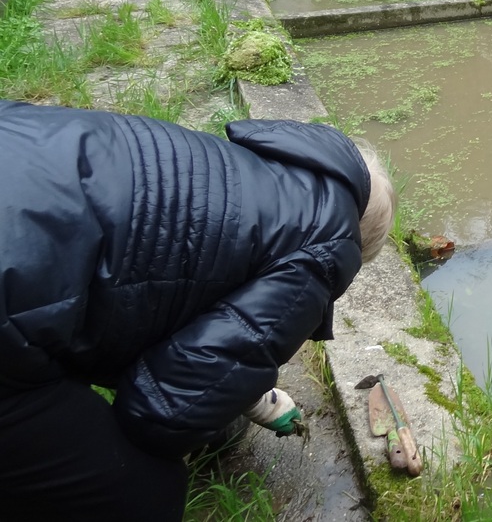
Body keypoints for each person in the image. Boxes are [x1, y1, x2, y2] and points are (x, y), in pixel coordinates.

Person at [0, 100, 397, 522]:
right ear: (360, 243)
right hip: (12, 298)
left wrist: (239, 394)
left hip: (23, 148)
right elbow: (159, 413)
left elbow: (165, 291)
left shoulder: (254, 163)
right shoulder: (321, 252)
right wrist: (210, 406)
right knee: (142, 492)